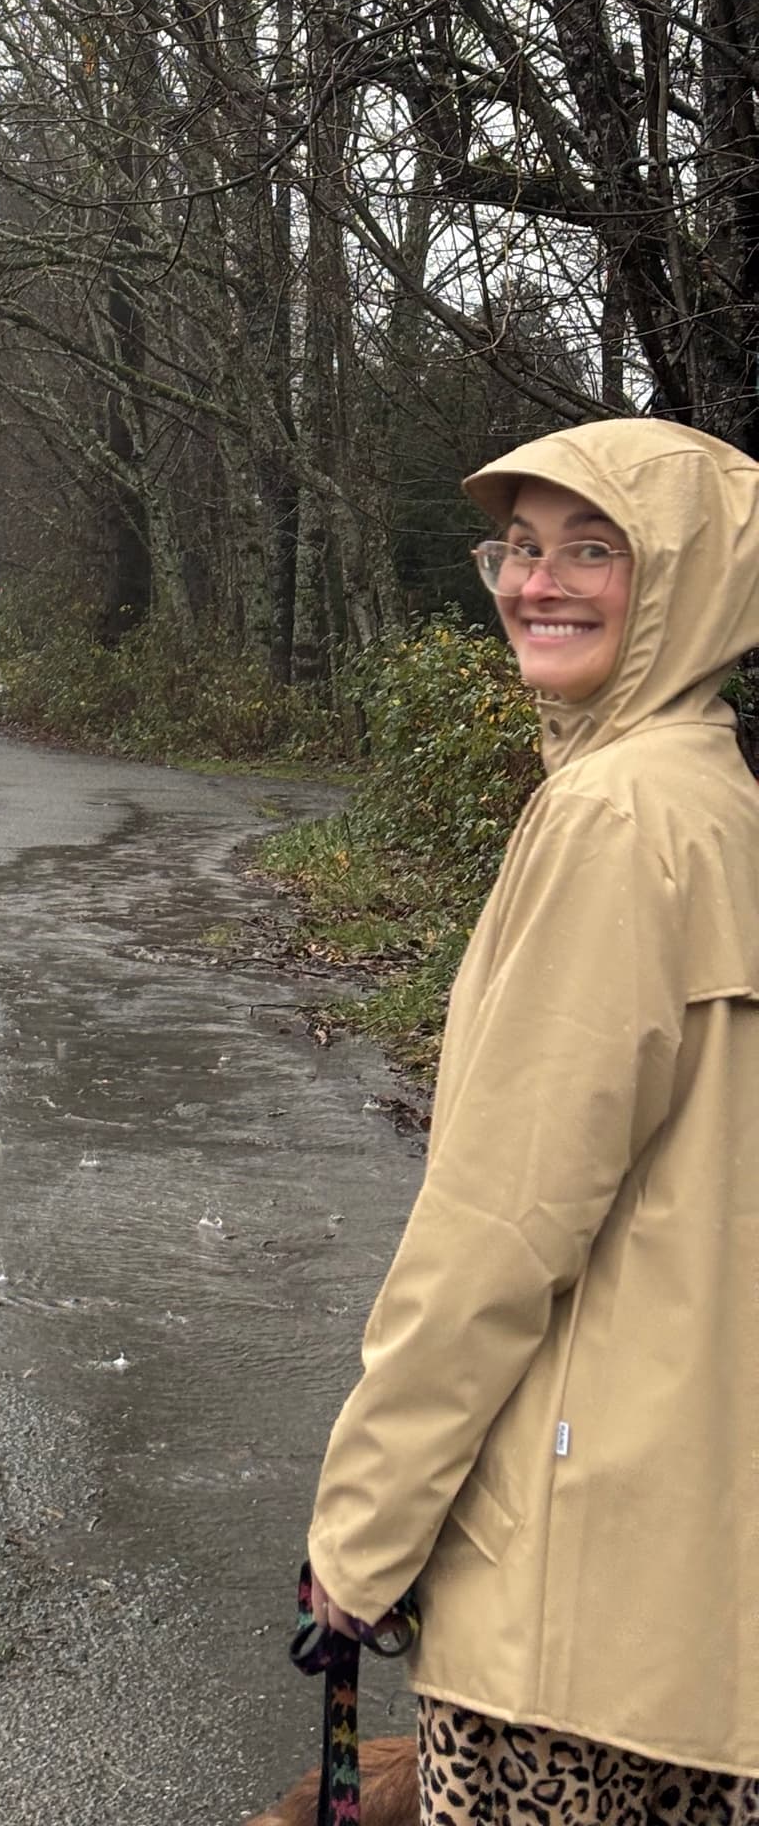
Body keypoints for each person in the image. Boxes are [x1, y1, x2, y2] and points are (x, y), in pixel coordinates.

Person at [307, 419, 759, 1820]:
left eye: (593, 550)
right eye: (519, 546)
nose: (533, 582)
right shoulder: (713, 799)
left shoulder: (618, 820)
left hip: (573, 1608)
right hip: (682, 1580)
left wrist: (362, 1535)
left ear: (686, 581)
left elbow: (502, 1230)